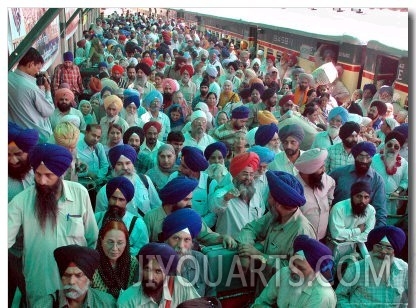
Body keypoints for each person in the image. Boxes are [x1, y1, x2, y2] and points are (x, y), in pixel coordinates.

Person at [8, 143, 98, 305]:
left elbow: (92, 238)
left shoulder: (80, 193)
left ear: (61, 173)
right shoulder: (21, 202)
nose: (42, 181)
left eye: (48, 175)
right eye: (37, 174)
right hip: (40, 287)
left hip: (76, 287)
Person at [236, 171, 316, 294]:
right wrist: (245, 253)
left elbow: (298, 270)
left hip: (284, 296)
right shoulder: (273, 215)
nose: (267, 200)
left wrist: (260, 256)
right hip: (264, 289)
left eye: (269, 197)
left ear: (277, 203)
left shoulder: (302, 230)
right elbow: (250, 229)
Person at [252, 235, 336, 308]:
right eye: (293, 263)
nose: (293, 269)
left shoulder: (321, 295)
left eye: (301, 268)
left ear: (315, 271)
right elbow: (262, 302)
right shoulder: (284, 273)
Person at [336, 226, 408, 306]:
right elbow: (339, 296)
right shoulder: (355, 269)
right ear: (372, 247)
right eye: (378, 246)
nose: (383, 251)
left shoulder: (404, 269)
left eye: (389, 248)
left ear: (395, 251)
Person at [8, 122, 39, 307]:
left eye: (18, 154)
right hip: (14, 250)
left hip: (38, 247)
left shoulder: (39, 172)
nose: (12, 160)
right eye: (8, 154)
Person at [117, 243, 200, 306]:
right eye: (147, 269)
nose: (150, 277)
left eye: (157, 271)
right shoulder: (127, 300)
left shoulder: (182, 287)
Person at [32, 245, 115, 307]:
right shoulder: (43, 305)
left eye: (78, 275)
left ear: (90, 278)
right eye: (67, 275)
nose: (71, 281)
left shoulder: (106, 303)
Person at [329, 141, 387, 228]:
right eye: (361, 156)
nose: (364, 161)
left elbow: (380, 209)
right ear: (355, 156)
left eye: (368, 157)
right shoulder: (338, 173)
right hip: (336, 224)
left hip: (361, 229)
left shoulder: (377, 180)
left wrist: (377, 233)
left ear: (372, 158)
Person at [162, 208, 216, 297]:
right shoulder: (154, 262)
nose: (180, 245)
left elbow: (211, 293)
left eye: (186, 239)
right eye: (176, 238)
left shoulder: (200, 259)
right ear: (166, 240)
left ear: (192, 243)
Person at [95, 144, 161, 216]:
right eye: (119, 164)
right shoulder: (104, 192)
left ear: (133, 164)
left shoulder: (145, 180)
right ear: (113, 167)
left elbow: (156, 207)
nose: (125, 168)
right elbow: (100, 219)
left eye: (128, 163)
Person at [212, 152, 264, 237]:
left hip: (251, 245)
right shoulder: (223, 192)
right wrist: (226, 198)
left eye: (251, 175)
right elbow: (215, 207)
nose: (248, 178)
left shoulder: (256, 193)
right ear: (235, 175)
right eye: (245, 174)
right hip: (229, 245)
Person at [8, 47, 55, 143]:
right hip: (38, 136)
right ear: (30, 64)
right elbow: (48, 111)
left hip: (17, 134)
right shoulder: (32, 88)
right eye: (37, 68)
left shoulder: (8, 78)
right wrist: (48, 90)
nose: (37, 72)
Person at [95, 176, 149, 256]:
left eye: (121, 200)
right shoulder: (96, 218)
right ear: (108, 198)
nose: (116, 203)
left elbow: (142, 251)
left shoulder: (138, 224)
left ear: (127, 201)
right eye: (113, 198)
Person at [168, 146, 217, 228]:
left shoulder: (210, 183)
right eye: (180, 164)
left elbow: (213, 214)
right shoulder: (174, 178)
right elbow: (167, 206)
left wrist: (195, 227)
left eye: (184, 167)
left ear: (195, 169)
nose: (179, 169)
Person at [294, 148, 336, 241]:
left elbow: (332, 185)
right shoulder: (294, 187)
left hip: (322, 237)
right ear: (308, 171)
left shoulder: (325, 179)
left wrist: (329, 202)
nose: (324, 170)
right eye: (320, 167)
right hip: (301, 239)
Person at [92, 219, 140, 299]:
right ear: (101, 241)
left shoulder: (133, 263)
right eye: (110, 242)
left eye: (120, 243)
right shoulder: (92, 264)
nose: (114, 248)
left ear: (126, 243)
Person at [328, 181, 376, 247]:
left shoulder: (371, 210)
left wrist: (349, 239)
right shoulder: (339, 208)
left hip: (357, 246)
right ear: (352, 196)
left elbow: (369, 234)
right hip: (334, 246)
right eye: (359, 196)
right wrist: (358, 230)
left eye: (366, 197)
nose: (362, 201)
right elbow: (337, 235)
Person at [371, 131, 408, 215]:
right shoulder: (374, 159)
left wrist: (397, 192)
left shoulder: (404, 163)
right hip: (375, 198)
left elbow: (406, 181)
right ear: (384, 146)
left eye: (396, 147)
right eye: (389, 145)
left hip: (393, 200)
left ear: (399, 149)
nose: (392, 148)